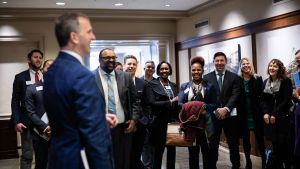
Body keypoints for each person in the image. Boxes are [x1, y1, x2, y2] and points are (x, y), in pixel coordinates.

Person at [43, 13, 113, 169]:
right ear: (74, 37)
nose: (93, 37)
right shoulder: (82, 75)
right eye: (89, 32)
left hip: (59, 158)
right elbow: (94, 137)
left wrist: (98, 117)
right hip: (80, 159)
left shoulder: (52, 71)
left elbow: (66, 114)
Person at [93, 48, 139, 169]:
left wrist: (134, 120)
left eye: (113, 58)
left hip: (123, 128)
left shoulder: (125, 77)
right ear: (99, 60)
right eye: (107, 58)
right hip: (99, 129)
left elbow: (135, 101)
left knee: (122, 162)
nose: (111, 60)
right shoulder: (89, 77)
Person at [203, 52, 241, 169]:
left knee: (233, 143)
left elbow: (236, 95)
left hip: (230, 116)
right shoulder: (206, 78)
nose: (219, 63)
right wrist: (215, 110)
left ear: (226, 62)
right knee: (213, 144)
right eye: (217, 61)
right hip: (213, 117)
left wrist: (225, 109)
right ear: (213, 62)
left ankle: (236, 165)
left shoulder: (234, 77)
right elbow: (206, 97)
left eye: (222, 60)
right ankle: (212, 165)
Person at [178, 56, 217, 169]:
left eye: (198, 70)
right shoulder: (184, 86)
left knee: (207, 153)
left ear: (202, 71)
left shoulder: (210, 86)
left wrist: (204, 108)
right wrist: (193, 108)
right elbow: (180, 103)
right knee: (193, 154)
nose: (196, 72)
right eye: (193, 70)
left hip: (206, 126)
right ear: (191, 71)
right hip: (191, 126)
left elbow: (215, 104)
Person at [11, 49, 43, 169]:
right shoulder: (20, 77)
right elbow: (15, 101)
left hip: (43, 122)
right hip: (27, 121)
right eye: (35, 57)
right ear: (29, 60)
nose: (38, 59)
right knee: (27, 154)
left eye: (40, 57)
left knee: (43, 154)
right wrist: (16, 121)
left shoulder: (45, 76)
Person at [261, 59, 293, 169]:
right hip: (269, 119)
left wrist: (274, 113)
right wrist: (265, 113)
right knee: (274, 146)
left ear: (279, 68)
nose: (272, 68)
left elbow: (286, 100)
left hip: (282, 118)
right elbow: (263, 100)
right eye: (270, 66)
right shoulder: (265, 82)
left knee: (284, 146)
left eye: (275, 66)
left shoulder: (286, 81)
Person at [146, 61, 178, 169]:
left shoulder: (173, 85)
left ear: (170, 70)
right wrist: (170, 102)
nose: (164, 71)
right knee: (158, 152)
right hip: (158, 123)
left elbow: (177, 103)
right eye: (162, 69)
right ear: (159, 71)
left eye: (166, 69)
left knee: (172, 151)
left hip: (172, 123)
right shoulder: (151, 84)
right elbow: (152, 103)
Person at [123, 55, 151, 169]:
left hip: (140, 126)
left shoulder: (142, 83)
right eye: (129, 64)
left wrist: (146, 120)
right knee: (126, 156)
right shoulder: (118, 82)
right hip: (124, 126)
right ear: (124, 65)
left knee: (136, 154)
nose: (131, 66)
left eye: (134, 64)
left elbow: (147, 105)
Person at [237, 58, 266, 169]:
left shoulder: (257, 78)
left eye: (247, 63)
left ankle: (264, 161)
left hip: (256, 114)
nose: (245, 65)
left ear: (251, 65)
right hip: (243, 114)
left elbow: (262, 97)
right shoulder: (238, 79)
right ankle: (248, 161)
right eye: (243, 64)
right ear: (241, 66)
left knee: (260, 139)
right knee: (245, 139)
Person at [25, 59, 52, 169]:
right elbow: (30, 113)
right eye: (48, 67)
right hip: (40, 135)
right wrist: (45, 128)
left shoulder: (64, 88)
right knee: (41, 164)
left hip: (60, 135)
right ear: (42, 70)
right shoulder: (31, 89)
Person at [140, 60, 156, 169]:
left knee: (154, 144)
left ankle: (153, 165)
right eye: (148, 67)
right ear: (144, 68)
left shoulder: (157, 82)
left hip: (156, 118)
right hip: (142, 118)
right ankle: (146, 166)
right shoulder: (139, 82)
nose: (150, 69)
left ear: (154, 69)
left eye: (152, 67)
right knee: (144, 144)